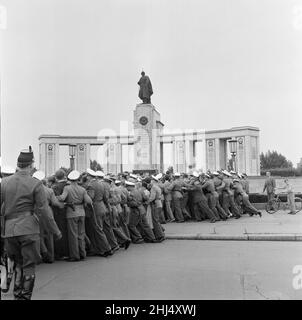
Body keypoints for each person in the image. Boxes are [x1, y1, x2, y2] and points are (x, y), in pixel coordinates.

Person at [1, 147, 49, 300]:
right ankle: (24, 297)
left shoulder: (5, 182)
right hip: (28, 228)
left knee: (17, 264)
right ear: (31, 165)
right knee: (29, 266)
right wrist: (53, 230)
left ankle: (17, 295)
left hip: (9, 230)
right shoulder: (35, 183)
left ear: (18, 164)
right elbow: (44, 210)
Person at [57, 170, 93, 262]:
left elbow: (62, 198)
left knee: (73, 235)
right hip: (81, 212)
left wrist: (55, 197)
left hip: (71, 213)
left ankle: (75, 255)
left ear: (69, 179)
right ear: (78, 179)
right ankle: (82, 253)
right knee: (81, 234)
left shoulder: (67, 188)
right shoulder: (82, 189)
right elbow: (89, 201)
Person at [51, 169, 70, 260]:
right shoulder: (69, 184)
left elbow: (54, 200)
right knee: (68, 232)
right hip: (70, 210)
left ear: (56, 177)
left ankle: (60, 253)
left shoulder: (55, 187)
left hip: (58, 212)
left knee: (59, 231)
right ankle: (68, 251)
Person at [147, 176, 165, 242]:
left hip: (156, 204)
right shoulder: (157, 186)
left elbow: (152, 197)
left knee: (155, 220)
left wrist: (147, 202)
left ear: (153, 180)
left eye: (151, 180)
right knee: (156, 220)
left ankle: (160, 235)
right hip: (159, 203)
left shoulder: (154, 187)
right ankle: (161, 231)